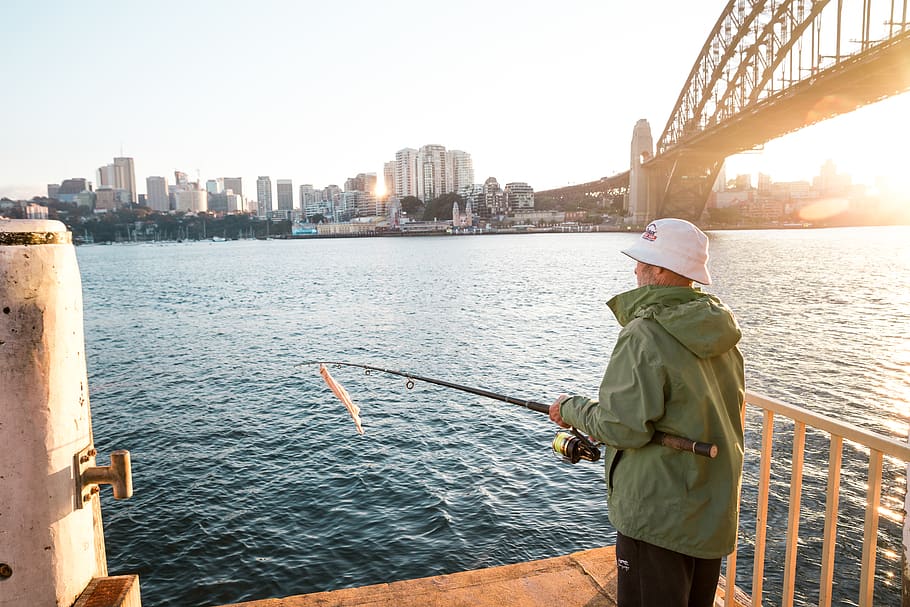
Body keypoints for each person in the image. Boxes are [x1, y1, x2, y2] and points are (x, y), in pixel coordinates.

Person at [549, 218, 745, 607]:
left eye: (642, 261)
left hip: (659, 513)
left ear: (659, 270)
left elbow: (621, 427)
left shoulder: (644, 332)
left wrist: (571, 408)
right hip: (709, 508)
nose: (634, 268)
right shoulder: (717, 326)